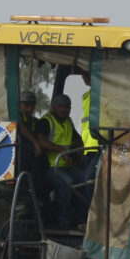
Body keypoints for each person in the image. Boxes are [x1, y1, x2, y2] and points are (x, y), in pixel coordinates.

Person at [38, 94, 89, 227]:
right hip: (49, 167)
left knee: (87, 179)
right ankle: (62, 219)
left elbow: (76, 138)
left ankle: (80, 218)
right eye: (60, 106)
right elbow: (40, 140)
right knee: (67, 182)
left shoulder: (68, 121)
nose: (64, 110)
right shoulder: (45, 121)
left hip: (66, 165)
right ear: (53, 107)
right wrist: (60, 149)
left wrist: (81, 148)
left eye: (67, 107)